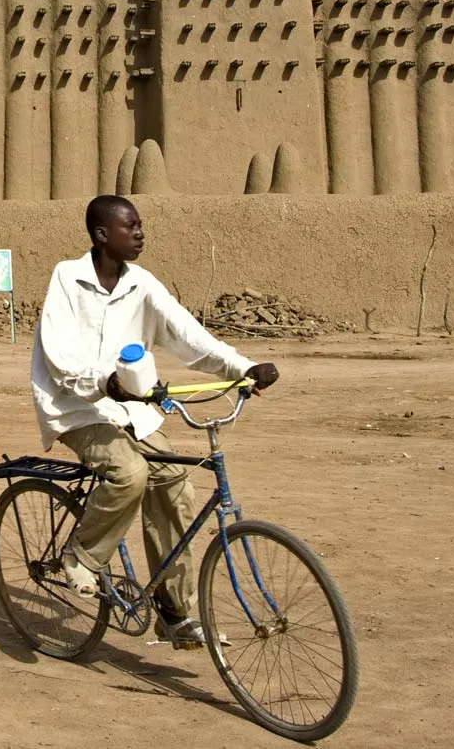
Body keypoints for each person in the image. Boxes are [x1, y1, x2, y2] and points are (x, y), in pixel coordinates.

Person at [30, 195, 278, 648]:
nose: (141, 233)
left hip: (133, 412)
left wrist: (242, 367)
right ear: (103, 235)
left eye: (141, 225)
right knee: (129, 472)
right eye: (132, 226)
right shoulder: (67, 278)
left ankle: (174, 611)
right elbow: (59, 355)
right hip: (76, 408)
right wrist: (104, 383)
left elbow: (188, 336)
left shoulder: (142, 284)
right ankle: (81, 557)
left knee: (175, 483)